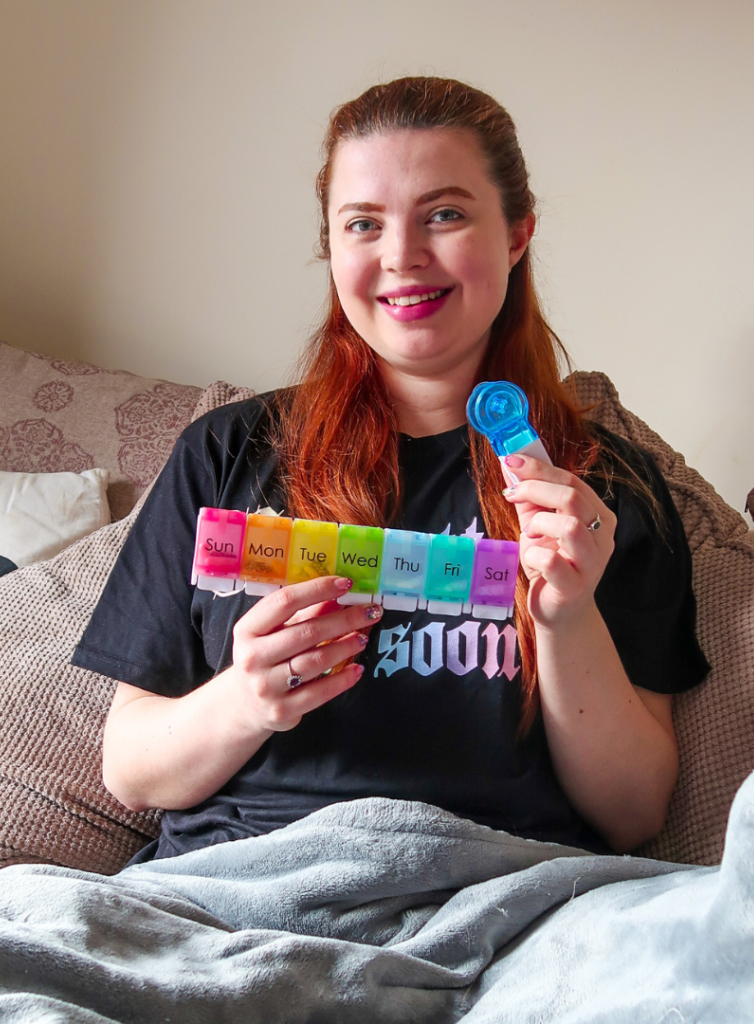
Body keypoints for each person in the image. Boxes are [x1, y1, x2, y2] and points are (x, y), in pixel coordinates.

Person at [72, 76, 709, 864]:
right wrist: (247, 699)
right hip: (236, 887)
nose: (402, 257)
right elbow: (130, 770)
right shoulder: (226, 451)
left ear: (516, 234)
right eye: (363, 224)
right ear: (332, 248)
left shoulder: (603, 491)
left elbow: (632, 814)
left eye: (444, 214)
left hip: (502, 896)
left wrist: (565, 618)